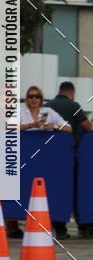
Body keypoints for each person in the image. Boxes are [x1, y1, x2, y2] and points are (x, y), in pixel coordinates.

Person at [44, 82, 93, 240]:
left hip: (50, 156)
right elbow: (87, 126)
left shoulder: (47, 105)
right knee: (78, 191)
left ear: (59, 90)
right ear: (72, 92)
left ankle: (59, 228)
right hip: (72, 155)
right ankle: (84, 226)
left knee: (57, 191)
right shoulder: (73, 105)